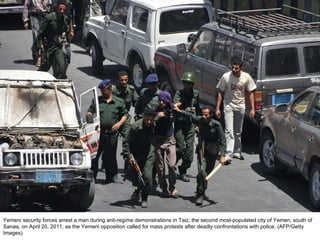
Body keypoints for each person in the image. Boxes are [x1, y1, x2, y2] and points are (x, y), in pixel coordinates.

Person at [174, 104, 228, 206]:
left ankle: (202, 189)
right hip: (202, 150)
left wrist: (223, 155)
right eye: (203, 114)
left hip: (212, 151)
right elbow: (189, 115)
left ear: (211, 115)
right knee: (202, 173)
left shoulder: (217, 125)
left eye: (206, 115)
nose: (204, 117)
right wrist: (179, 110)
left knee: (206, 174)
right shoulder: (199, 120)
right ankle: (200, 193)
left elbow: (223, 141)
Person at [86, 79, 128, 183]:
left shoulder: (118, 102)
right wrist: (89, 116)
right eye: (101, 90)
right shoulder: (97, 101)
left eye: (104, 90)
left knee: (111, 156)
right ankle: (92, 176)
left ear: (109, 89)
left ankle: (111, 177)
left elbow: (125, 115)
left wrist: (118, 124)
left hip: (112, 134)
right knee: (95, 156)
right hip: (99, 133)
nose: (102, 92)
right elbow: (90, 111)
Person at [215, 57, 257, 160]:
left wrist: (252, 109)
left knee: (238, 131)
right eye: (233, 68)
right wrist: (217, 108)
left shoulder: (246, 77)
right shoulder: (226, 77)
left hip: (240, 106)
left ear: (241, 68)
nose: (234, 70)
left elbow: (251, 92)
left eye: (236, 68)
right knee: (229, 130)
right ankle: (228, 154)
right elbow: (220, 91)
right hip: (228, 106)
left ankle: (237, 151)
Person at [134, 73, 161, 187]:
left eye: (153, 84)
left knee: (154, 153)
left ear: (157, 84)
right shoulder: (143, 92)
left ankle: (153, 176)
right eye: (149, 85)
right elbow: (138, 106)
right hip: (143, 124)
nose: (151, 87)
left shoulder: (161, 95)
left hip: (155, 126)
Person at [125, 109, 156, 208]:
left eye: (151, 120)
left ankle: (144, 197)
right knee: (136, 176)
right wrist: (129, 156)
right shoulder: (135, 127)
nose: (149, 122)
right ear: (144, 117)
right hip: (136, 154)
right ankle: (138, 189)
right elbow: (126, 142)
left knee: (147, 177)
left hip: (148, 154)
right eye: (147, 120)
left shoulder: (155, 125)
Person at [173, 72, 200, 182]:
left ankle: (183, 169)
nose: (188, 85)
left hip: (190, 126)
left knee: (189, 154)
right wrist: (178, 106)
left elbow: (197, 109)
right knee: (180, 148)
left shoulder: (196, 94)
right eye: (186, 83)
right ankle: (172, 162)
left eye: (190, 83)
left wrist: (198, 124)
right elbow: (175, 106)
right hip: (180, 125)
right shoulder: (179, 94)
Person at [152, 91, 179, 198]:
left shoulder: (172, 109)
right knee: (160, 166)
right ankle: (164, 187)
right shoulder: (156, 110)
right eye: (160, 100)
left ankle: (172, 186)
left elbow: (180, 110)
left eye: (164, 101)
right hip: (158, 140)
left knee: (172, 165)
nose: (162, 102)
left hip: (169, 140)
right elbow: (148, 116)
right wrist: (157, 116)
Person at [112, 70, 139, 175]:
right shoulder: (113, 91)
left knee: (127, 140)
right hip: (114, 118)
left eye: (126, 80)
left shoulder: (131, 90)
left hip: (125, 118)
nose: (124, 82)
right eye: (121, 80)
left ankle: (127, 164)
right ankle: (110, 165)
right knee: (111, 143)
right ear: (118, 80)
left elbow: (137, 102)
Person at [37, 0, 71, 79]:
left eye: (64, 10)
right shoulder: (49, 18)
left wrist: (68, 42)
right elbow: (40, 33)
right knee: (45, 66)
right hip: (48, 46)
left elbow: (67, 31)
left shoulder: (65, 19)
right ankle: (37, 79)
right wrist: (41, 45)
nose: (62, 11)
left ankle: (56, 81)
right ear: (56, 9)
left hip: (58, 46)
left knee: (61, 67)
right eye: (60, 9)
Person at [22, 0, 52, 67]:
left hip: (45, 15)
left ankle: (42, 55)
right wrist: (25, 20)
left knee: (44, 37)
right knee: (36, 36)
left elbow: (52, 5)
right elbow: (26, 7)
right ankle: (38, 56)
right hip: (34, 15)